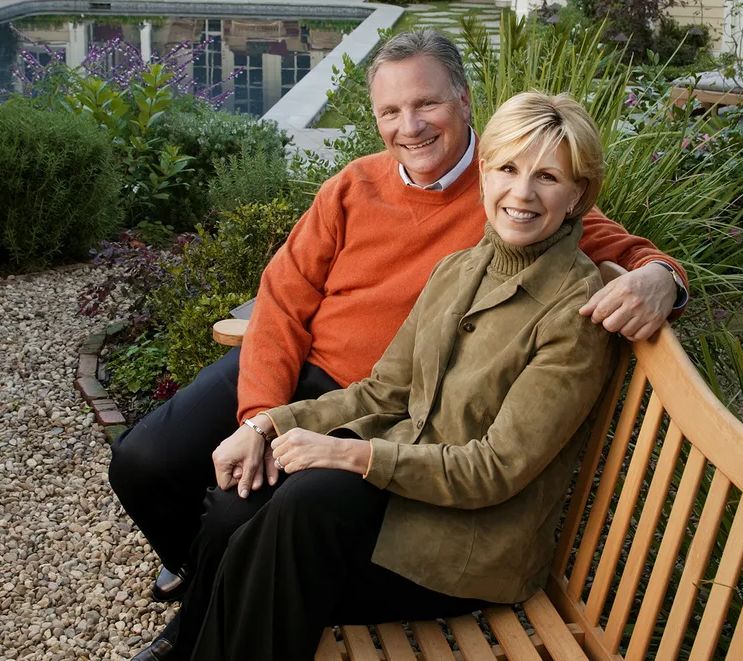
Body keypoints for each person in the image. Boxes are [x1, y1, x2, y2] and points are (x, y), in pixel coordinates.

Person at [108, 30, 689, 614]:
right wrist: (262, 418)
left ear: (464, 100)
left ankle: (209, 602)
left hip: (381, 405)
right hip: (303, 379)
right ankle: (206, 571)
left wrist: (664, 278)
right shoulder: (354, 185)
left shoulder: (512, 184)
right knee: (141, 463)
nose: (409, 127)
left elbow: (634, 251)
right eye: (391, 111)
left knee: (239, 508)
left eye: (426, 104)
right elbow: (282, 299)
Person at [136, 90, 616, 661]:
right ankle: (194, 644)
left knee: (298, 515)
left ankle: (199, 645)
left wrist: (352, 456)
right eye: (508, 168)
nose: (521, 193)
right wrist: (265, 426)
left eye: (547, 178)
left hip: (464, 547)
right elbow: (382, 391)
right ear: (484, 172)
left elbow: (495, 469)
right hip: (408, 498)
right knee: (240, 503)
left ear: (577, 195)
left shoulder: (574, 312)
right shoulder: (461, 268)